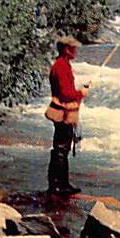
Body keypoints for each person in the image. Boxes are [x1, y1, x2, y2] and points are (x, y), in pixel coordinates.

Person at [47, 36, 88, 195]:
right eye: (73, 48)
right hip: (62, 113)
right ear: (66, 50)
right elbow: (65, 94)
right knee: (61, 148)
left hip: (62, 112)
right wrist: (81, 93)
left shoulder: (62, 65)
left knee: (61, 147)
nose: (75, 51)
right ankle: (58, 185)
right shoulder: (61, 67)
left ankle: (60, 183)